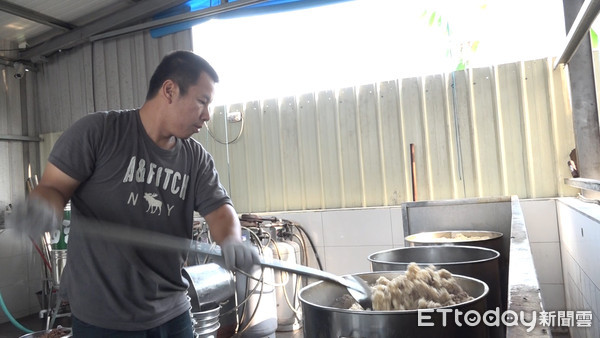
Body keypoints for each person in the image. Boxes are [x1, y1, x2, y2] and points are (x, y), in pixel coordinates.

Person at [7, 50, 260, 337]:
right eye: (202, 102)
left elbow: (219, 209)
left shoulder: (195, 158)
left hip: (173, 311)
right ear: (169, 90)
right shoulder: (98, 132)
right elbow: (53, 188)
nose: (207, 115)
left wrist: (231, 239)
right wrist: (42, 207)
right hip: (103, 318)